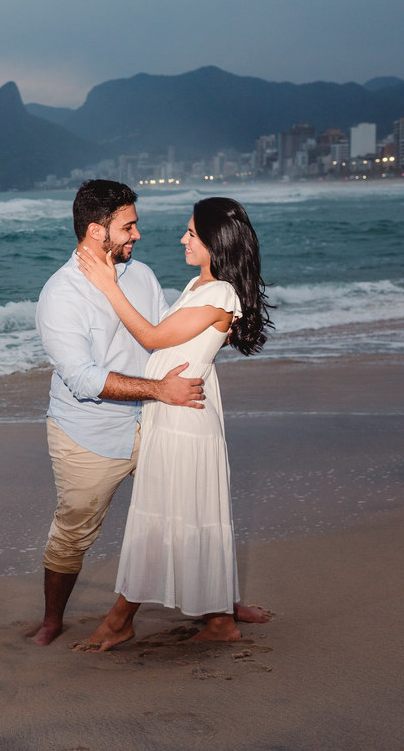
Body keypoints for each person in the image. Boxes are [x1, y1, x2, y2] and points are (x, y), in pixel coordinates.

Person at [75, 196, 272, 650]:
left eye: (192, 233)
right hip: (172, 411)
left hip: (185, 421)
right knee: (183, 513)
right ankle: (220, 620)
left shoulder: (221, 292)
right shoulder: (199, 285)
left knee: (165, 517)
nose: (183, 239)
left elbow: (152, 337)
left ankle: (121, 620)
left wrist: (109, 285)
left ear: (214, 242)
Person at [31, 180, 206, 646]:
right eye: (128, 226)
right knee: (74, 531)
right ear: (96, 231)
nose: (138, 235)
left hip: (153, 419)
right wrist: (161, 390)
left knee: (190, 507)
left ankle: (220, 610)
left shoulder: (141, 275)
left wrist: (221, 318)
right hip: (88, 433)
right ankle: (52, 620)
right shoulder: (60, 295)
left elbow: (165, 335)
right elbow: (84, 378)